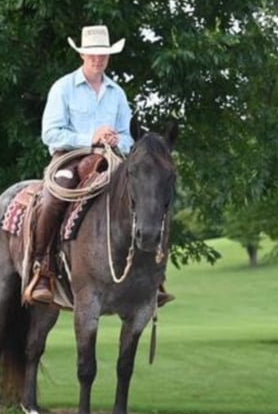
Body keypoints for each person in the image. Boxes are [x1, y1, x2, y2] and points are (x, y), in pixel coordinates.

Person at [24, 25, 174, 307]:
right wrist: (89, 138)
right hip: (70, 158)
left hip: (111, 159)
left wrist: (120, 139)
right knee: (54, 197)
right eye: (92, 54)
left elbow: (130, 136)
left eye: (103, 54)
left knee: (142, 193)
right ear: (82, 54)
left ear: (108, 56)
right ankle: (42, 268)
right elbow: (51, 133)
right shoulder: (63, 88)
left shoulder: (116, 92)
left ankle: (150, 275)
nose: (97, 59)